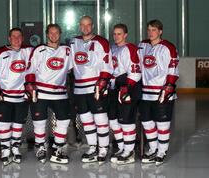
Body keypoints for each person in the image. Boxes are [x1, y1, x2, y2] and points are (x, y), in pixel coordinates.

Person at [24, 24, 72, 164]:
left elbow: (71, 69)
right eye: (51, 33)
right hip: (41, 93)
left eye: (56, 33)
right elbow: (30, 70)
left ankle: (58, 147)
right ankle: (40, 147)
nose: (54, 35)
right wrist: (31, 87)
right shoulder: (39, 50)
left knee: (64, 121)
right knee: (39, 123)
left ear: (60, 33)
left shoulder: (67, 50)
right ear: (47, 34)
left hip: (60, 93)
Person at [69, 15, 113, 164]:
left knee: (100, 119)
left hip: (96, 88)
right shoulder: (74, 42)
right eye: (83, 25)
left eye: (88, 25)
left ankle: (103, 149)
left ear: (92, 26)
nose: (86, 28)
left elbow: (107, 66)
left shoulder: (102, 42)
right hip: (80, 89)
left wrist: (102, 83)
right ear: (79, 26)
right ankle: (93, 147)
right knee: (86, 120)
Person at [0, 27, 33, 166]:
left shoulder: (29, 51)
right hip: (4, 96)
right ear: (9, 38)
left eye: (19, 36)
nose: (17, 39)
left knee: (18, 124)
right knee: (4, 123)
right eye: (14, 36)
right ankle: (6, 151)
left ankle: (15, 149)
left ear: (23, 38)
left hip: (22, 96)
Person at [138, 19, 179, 166]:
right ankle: (153, 148)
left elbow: (173, 70)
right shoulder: (142, 45)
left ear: (160, 31)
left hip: (162, 93)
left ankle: (162, 151)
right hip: (145, 93)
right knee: (147, 122)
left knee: (162, 124)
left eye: (154, 30)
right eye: (149, 30)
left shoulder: (168, 47)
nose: (150, 32)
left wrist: (168, 87)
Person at [109, 24, 142, 165]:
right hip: (116, 87)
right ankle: (123, 148)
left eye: (119, 34)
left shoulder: (130, 48)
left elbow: (135, 72)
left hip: (129, 87)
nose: (116, 36)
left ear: (125, 35)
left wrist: (126, 87)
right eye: (114, 34)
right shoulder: (113, 48)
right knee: (113, 119)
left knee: (126, 120)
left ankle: (130, 151)